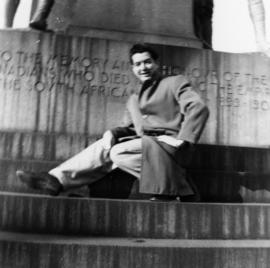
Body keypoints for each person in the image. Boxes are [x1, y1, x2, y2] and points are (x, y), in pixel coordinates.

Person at [17, 43, 209, 201]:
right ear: (133, 69)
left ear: (156, 63)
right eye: (138, 64)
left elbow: (198, 107)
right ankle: (57, 180)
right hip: (146, 146)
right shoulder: (134, 98)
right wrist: (114, 133)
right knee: (110, 145)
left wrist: (184, 139)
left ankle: (175, 184)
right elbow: (131, 128)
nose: (143, 68)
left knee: (117, 152)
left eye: (147, 62)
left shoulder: (174, 83)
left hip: (170, 146)